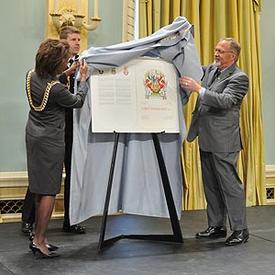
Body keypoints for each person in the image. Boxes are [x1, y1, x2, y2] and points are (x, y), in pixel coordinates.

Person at [179, 37, 249, 246]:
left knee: (230, 186)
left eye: (220, 51)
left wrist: (198, 89)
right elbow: (191, 69)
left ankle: (240, 230)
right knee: (210, 185)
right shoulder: (211, 69)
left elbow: (226, 101)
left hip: (224, 141)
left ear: (232, 56)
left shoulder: (239, 77)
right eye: (215, 49)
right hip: (206, 136)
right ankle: (217, 226)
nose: (216, 54)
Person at [25, 38, 89, 258]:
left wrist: (68, 73)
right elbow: (76, 101)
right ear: (54, 62)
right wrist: (83, 81)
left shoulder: (31, 75)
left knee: (38, 187)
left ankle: (36, 236)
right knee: (50, 191)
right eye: (64, 59)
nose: (67, 61)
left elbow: (49, 85)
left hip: (33, 136)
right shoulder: (58, 89)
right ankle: (41, 240)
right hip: (51, 141)